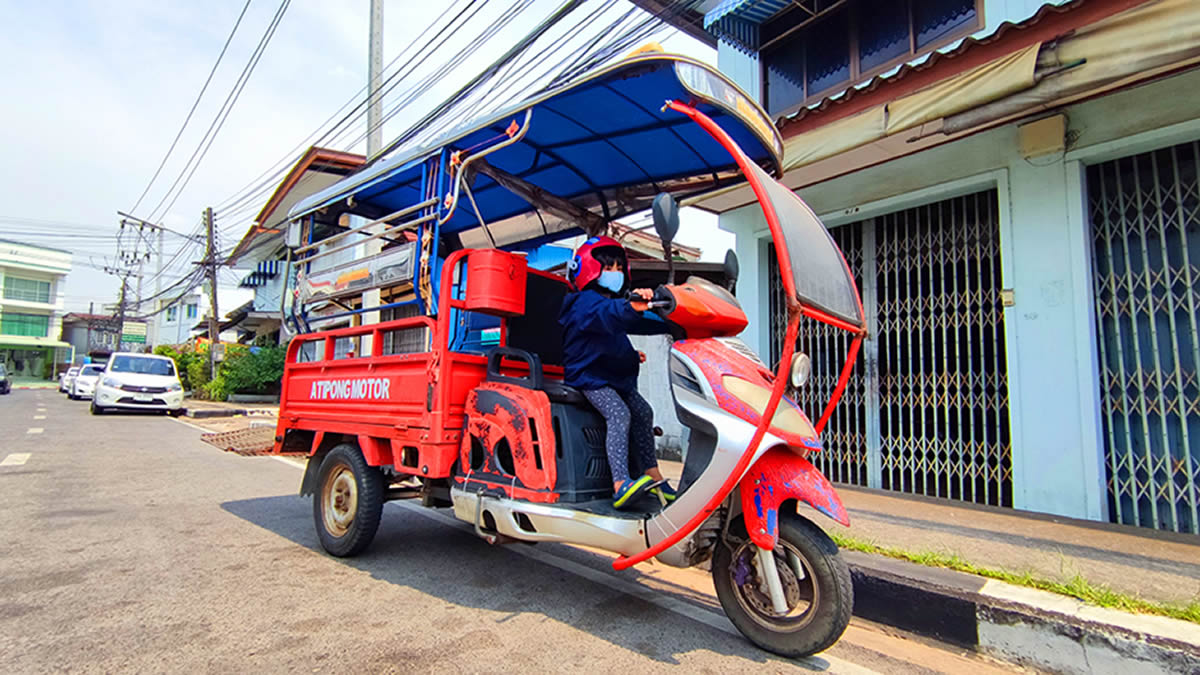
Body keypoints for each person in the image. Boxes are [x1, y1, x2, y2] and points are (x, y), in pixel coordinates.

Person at [559, 236, 676, 509]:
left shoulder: (611, 304)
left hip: (612, 378)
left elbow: (627, 325)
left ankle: (650, 473)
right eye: (608, 268)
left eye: (618, 268)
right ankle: (620, 483)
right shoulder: (584, 302)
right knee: (619, 414)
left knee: (644, 412)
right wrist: (631, 306)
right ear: (589, 270)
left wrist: (674, 322)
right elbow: (610, 315)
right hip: (590, 378)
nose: (616, 273)